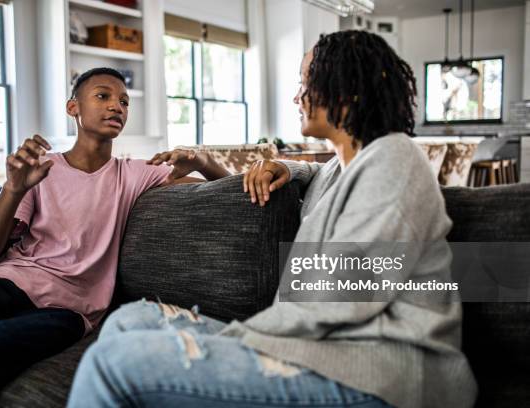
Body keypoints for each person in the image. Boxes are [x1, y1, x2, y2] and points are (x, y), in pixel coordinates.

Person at [67, 31, 477, 408]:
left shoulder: (394, 162)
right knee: (130, 318)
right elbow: (320, 175)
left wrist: (233, 338)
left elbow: (340, 300)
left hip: (380, 374)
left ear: (347, 88)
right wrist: (288, 167)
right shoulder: (344, 165)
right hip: (320, 350)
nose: (297, 96)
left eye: (304, 81)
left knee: (114, 363)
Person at [0, 67, 228, 390]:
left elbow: (229, 191)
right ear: (73, 108)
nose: (116, 107)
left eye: (124, 102)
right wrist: (13, 190)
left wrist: (203, 161)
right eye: (103, 96)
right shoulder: (41, 168)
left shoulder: (135, 174)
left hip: (72, 307)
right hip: (10, 279)